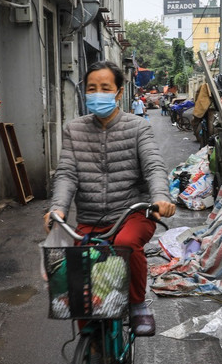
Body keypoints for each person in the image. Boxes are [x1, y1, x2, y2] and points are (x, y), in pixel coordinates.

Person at [45, 61, 176, 335]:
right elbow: (67, 173)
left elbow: (153, 166)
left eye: (105, 88)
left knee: (125, 244)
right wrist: (58, 209)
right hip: (90, 217)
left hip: (133, 215)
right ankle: (91, 343)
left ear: (118, 92)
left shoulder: (138, 127)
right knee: (80, 271)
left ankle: (139, 304)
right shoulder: (74, 130)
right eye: (92, 88)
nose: (97, 94)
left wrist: (161, 198)